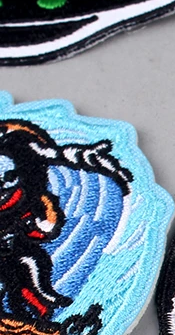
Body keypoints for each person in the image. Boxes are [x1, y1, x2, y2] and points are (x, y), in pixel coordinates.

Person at [0, 121, 131, 321]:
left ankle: (40, 305)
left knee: (31, 263)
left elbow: (46, 224)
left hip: (15, 248)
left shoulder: (30, 198)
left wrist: (34, 227)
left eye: (8, 177)